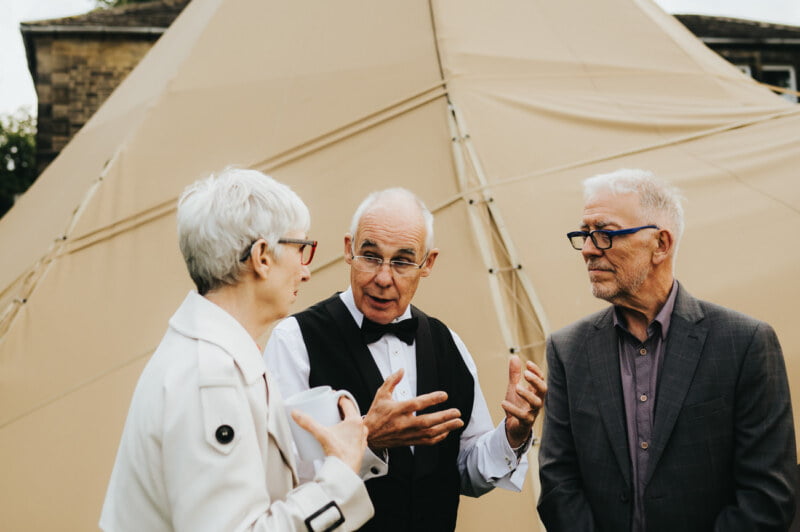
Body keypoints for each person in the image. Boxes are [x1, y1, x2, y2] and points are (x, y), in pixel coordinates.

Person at [100, 168, 374, 531]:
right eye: (302, 248)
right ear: (262, 256)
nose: (306, 272)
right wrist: (338, 477)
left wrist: (349, 448)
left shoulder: (220, 357)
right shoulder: (211, 378)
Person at [264, 187, 547, 531]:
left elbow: (468, 473)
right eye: (370, 256)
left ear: (427, 263)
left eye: (401, 261)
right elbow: (285, 480)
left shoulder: (448, 343)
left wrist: (513, 434)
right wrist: (367, 438)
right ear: (347, 250)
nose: (383, 278)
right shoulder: (294, 340)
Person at [538, 168, 797, 531]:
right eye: (584, 234)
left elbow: (768, 495)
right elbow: (558, 484)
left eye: (605, 234)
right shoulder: (568, 349)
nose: (589, 249)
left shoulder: (744, 342)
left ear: (661, 244)